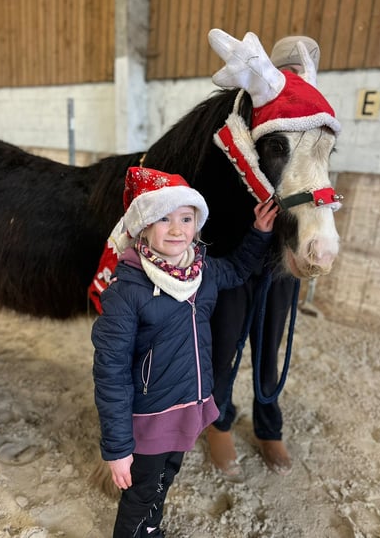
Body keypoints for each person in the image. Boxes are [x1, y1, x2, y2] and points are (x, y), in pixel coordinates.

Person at [92, 166, 278, 538]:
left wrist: (259, 234)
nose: (177, 229)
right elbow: (110, 372)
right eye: (163, 218)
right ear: (144, 226)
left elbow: (239, 269)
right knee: (141, 491)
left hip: (187, 404)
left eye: (186, 218)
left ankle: (151, 530)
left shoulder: (202, 270)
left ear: (196, 223)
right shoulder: (127, 290)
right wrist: (117, 448)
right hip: (149, 414)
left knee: (166, 476)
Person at [206, 35, 322, 480]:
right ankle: (219, 423)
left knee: (270, 349)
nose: (296, 71)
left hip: (281, 258)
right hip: (238, 250)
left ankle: (268, 425)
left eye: (304, 65)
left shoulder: (310, 119)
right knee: (224, 347)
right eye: (290, 65)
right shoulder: (242, 113)